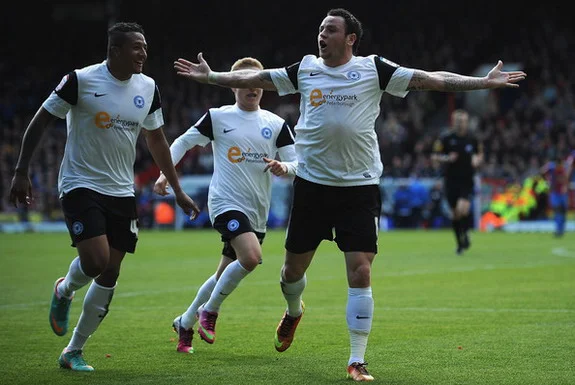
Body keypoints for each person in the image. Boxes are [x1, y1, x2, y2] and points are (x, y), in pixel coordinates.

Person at [171, 8, 526, 381]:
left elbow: (431, 79)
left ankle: (357, 359)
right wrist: (212, 77)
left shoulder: (375, 69)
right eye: (320, 29)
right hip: (312, 186)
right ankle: (293, 312)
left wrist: (482, 83)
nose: (321, 35)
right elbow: (258, 77)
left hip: (359, 187)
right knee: (292, 273)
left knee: (360, 271)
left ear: (350, 38)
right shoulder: (305, 68)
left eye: (330, 30)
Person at [8, 22, 200, 372]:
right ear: (115, 51)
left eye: (145, 47)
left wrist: (177, 188)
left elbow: (156, 140)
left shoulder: (148, 87)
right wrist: (21, 170)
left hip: (121, 190)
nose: (143, 53)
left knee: (110, 273)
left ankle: (73, 351)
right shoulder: (81, 80)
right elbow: (40, 120)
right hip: (80, 183)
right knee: (95, 262)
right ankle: (65, 289)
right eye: (136, 47)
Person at [153, 57, 297, 353]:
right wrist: (164, 175)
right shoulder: (217, 117)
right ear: (233, 86)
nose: (252, 88)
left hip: (257, 209)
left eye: (258, 82)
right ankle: (210, 311)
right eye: (245, 82)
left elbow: (298, 161)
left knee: (223, 273)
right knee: (251, 258)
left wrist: (286, 168)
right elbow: (182, 141)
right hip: (225, 202)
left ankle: (185, 321)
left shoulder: (276, 124)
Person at [432, 109, 484, 255]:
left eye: (463, 121)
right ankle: (460, 243)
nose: (460, 124)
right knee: (455, 214)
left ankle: (466, 233)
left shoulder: (472, 138)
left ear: (467, 122)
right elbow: (434, 157)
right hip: (451, 180)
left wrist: (477, 160)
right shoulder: (445, 138)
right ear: (453, 122)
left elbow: (480, 154)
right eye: (458, 121)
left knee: (463, 209)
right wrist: (447, 158)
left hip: (467, 179)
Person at [540, 151, 574, 237]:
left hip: (562, 193)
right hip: (555, 193)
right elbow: (542, 172)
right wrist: (547, 181)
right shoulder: (552, 166)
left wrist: (565, 186)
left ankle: (561, 230)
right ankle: (559, 230)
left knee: (562, 212)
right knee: (558, 211)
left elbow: (566, 178)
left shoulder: (564, 167)